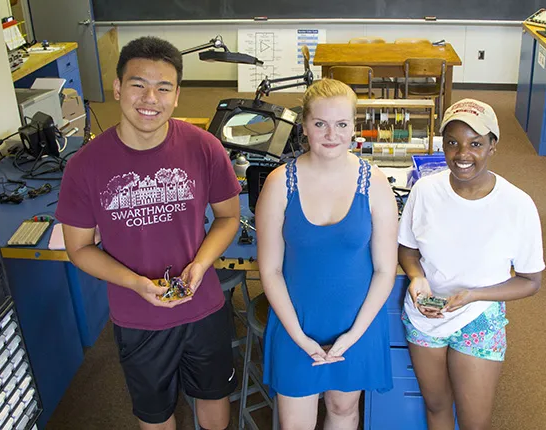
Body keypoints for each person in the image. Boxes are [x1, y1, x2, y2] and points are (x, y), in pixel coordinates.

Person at [56, 36, 241, 430]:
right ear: (118, 88)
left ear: (177, 96)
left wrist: (201, 263)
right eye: (138, 84)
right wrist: (136, 284)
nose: (150, 98)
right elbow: (79, 248)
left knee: (213, 399)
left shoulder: (205, 148)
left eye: (163, 87)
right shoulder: (85, 166)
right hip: (137, 316)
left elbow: (228, 218)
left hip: (203, 305)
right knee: (155, 415)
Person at [256, 79, 399, 430]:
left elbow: (385, 269)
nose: (331, 134)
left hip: (355, 324)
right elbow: (270, 270)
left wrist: (354, 334)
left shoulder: (376, 183)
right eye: (320, 123)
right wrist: (299, 337)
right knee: (295, 424)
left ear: (354, 127)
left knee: (344, 410)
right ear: (304, 125)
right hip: (296, 324)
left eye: (341, 124)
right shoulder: (278, 184)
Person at [398, 99, 545, 429]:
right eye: (453, 143)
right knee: (436, 407)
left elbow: (530, 281)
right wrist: (416, 277)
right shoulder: (424, 190)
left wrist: (475, 295)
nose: (462, 154)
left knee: (473, 421)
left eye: (475, 143)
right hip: (425, 316)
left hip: (479, 317)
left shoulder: (517, 205)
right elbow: (407, 249)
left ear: (493, 145)